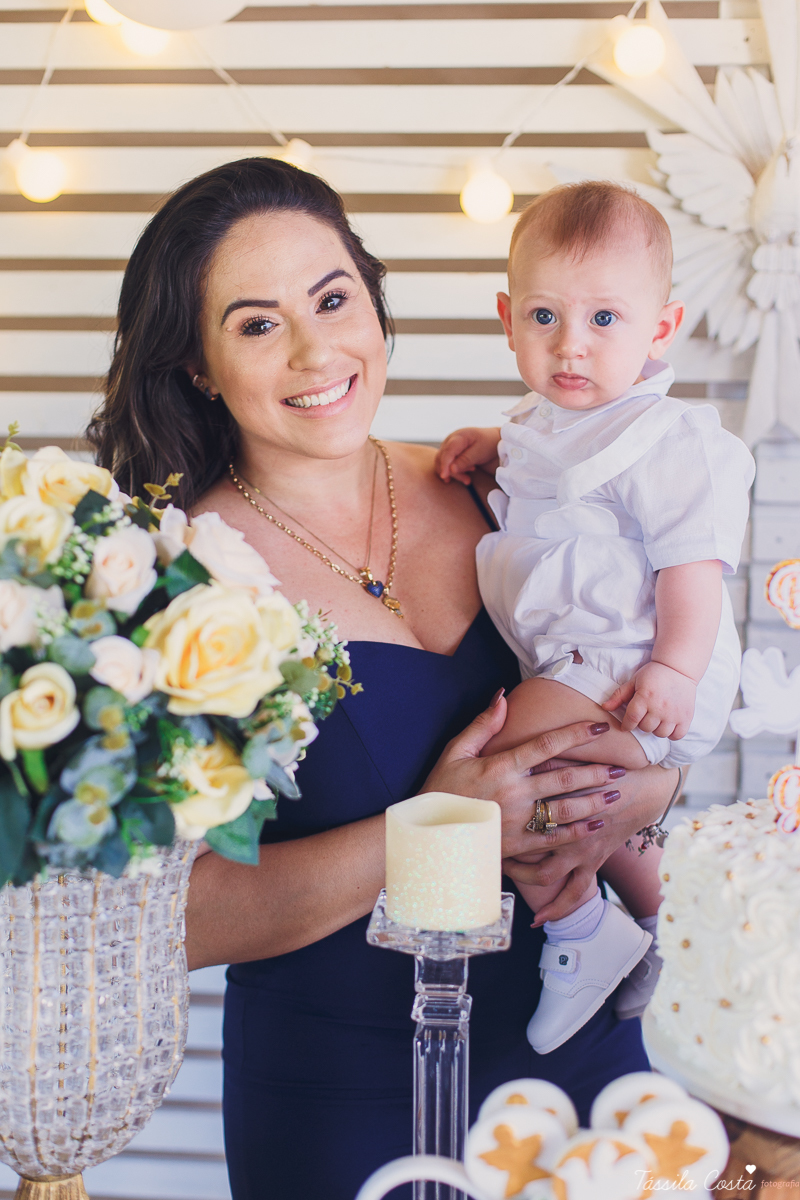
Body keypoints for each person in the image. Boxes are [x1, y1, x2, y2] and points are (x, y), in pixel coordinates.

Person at [87, 159, 679, 1200]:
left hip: (588, 1073)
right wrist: (435, 826)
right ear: (194, 364)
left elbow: (640, 707)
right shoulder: (166, 580)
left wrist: (637, 797)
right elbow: (167, 922)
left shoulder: (503, 485)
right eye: (257, 323)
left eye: (332, 297)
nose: (318, 350)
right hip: (348, 1102)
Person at [436, 182, 755, 1057]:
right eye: (544, 315)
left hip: (633, 662)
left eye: (605, 320)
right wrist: (494, 444)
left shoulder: (669, 440)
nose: (571, 345)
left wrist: (676, 671)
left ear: (661, 328)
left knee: (496, 770)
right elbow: (559, 466)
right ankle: (662, 925)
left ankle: (582, 928)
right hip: (583, 657)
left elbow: (692, 565)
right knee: (556, 801)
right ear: (508, 318)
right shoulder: (546, 423)